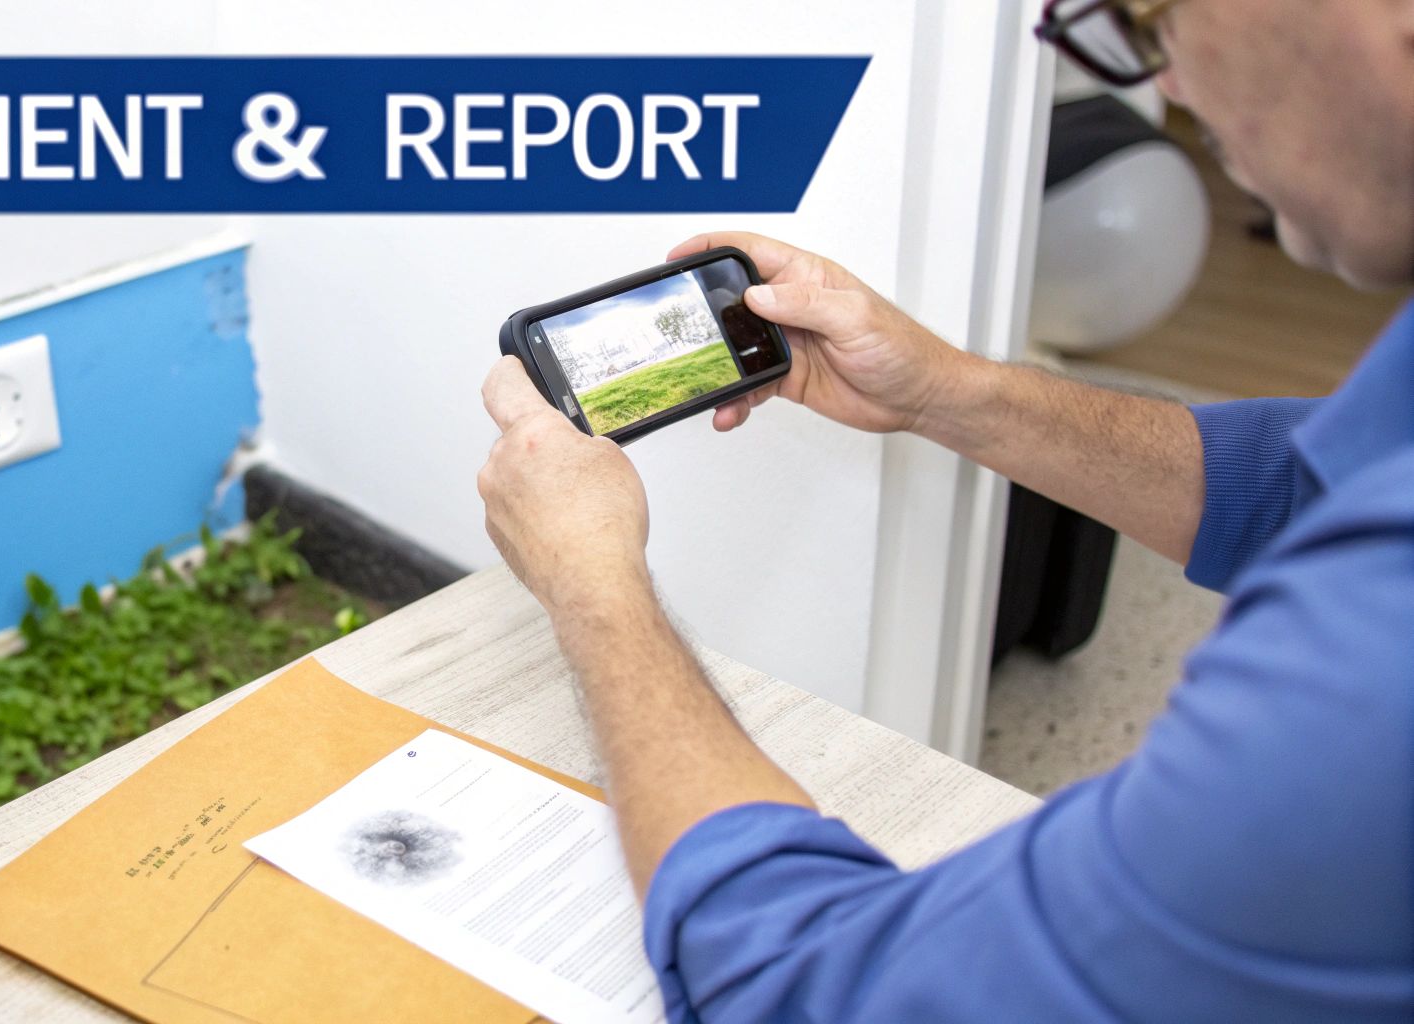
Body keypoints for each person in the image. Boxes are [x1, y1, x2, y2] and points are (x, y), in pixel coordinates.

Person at [476, 1, 1413, 1020]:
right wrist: (942, 390)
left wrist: (593, 584)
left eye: (1157, 18)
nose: (1169, 84)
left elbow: (822, 990)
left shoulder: (1367, 664)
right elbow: (1286, 487)